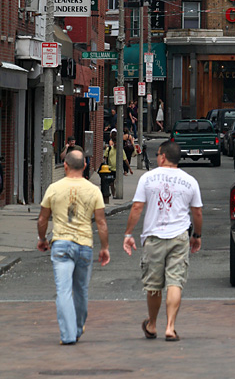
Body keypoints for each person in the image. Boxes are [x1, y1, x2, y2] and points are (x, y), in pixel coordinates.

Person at [123, 140, 203, 341]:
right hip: (179, 236)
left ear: (163, 156)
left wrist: (128, 234)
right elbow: (197, 212)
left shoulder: (147, 178)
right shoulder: (190, 181)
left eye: (158, 154)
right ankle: (170, 327)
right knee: (175, 282)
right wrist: (197, 235)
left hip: (154, 237)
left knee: (153, 285)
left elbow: (137, 207)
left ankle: (152, 324)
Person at [37, 149, 110, 345]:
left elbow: (43, 218)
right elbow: (101, 222)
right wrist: (104, 247)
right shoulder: (93, 190)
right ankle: (77, 328)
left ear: (65, 166)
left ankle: (68, 335)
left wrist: (42, 238)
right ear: (85, 166)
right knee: (81, 290)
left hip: (61, 244)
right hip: (84, 244)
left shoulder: (54, 188)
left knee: (63, 290)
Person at [104, 133, 128, 198]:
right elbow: (105, 158)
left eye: (116, 142)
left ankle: (116, 193)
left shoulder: (120, 150)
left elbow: (125, 159)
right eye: (114, 142)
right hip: (110, 169)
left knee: (116, 182)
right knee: (111, 183)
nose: (115, 144)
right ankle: (114, 194)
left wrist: (129, 168)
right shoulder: (109, 149)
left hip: (118, 170)